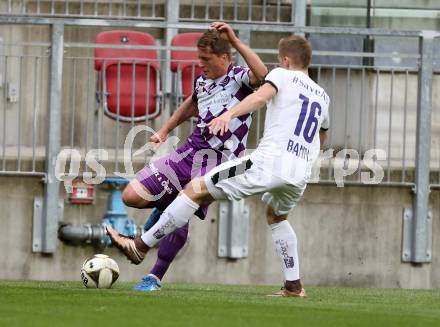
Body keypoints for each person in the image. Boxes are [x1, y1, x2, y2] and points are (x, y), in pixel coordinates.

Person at [108, 35, 329, 297]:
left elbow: (260, 97)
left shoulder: (281, 75)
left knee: (194, 189)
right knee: (277, 216)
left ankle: (140, 246)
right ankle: (294, 285)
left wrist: (228, 114)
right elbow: (322, 134)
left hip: (266, 162)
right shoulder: (323, 96)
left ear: (285, 60)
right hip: (299, 171)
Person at [120, 22, 268, 292]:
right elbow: (191, 104)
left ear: (225, 57)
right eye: (199, 58)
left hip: (217, 163)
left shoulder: (239, 78)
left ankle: (154, 277)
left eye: (206, 59)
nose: (200, 64)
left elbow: (262, 72)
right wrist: (164, 130)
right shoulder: (202, 81)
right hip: (188, 152)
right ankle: (169, 212)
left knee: (183, 206)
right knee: (131, 195)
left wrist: (234, 40)